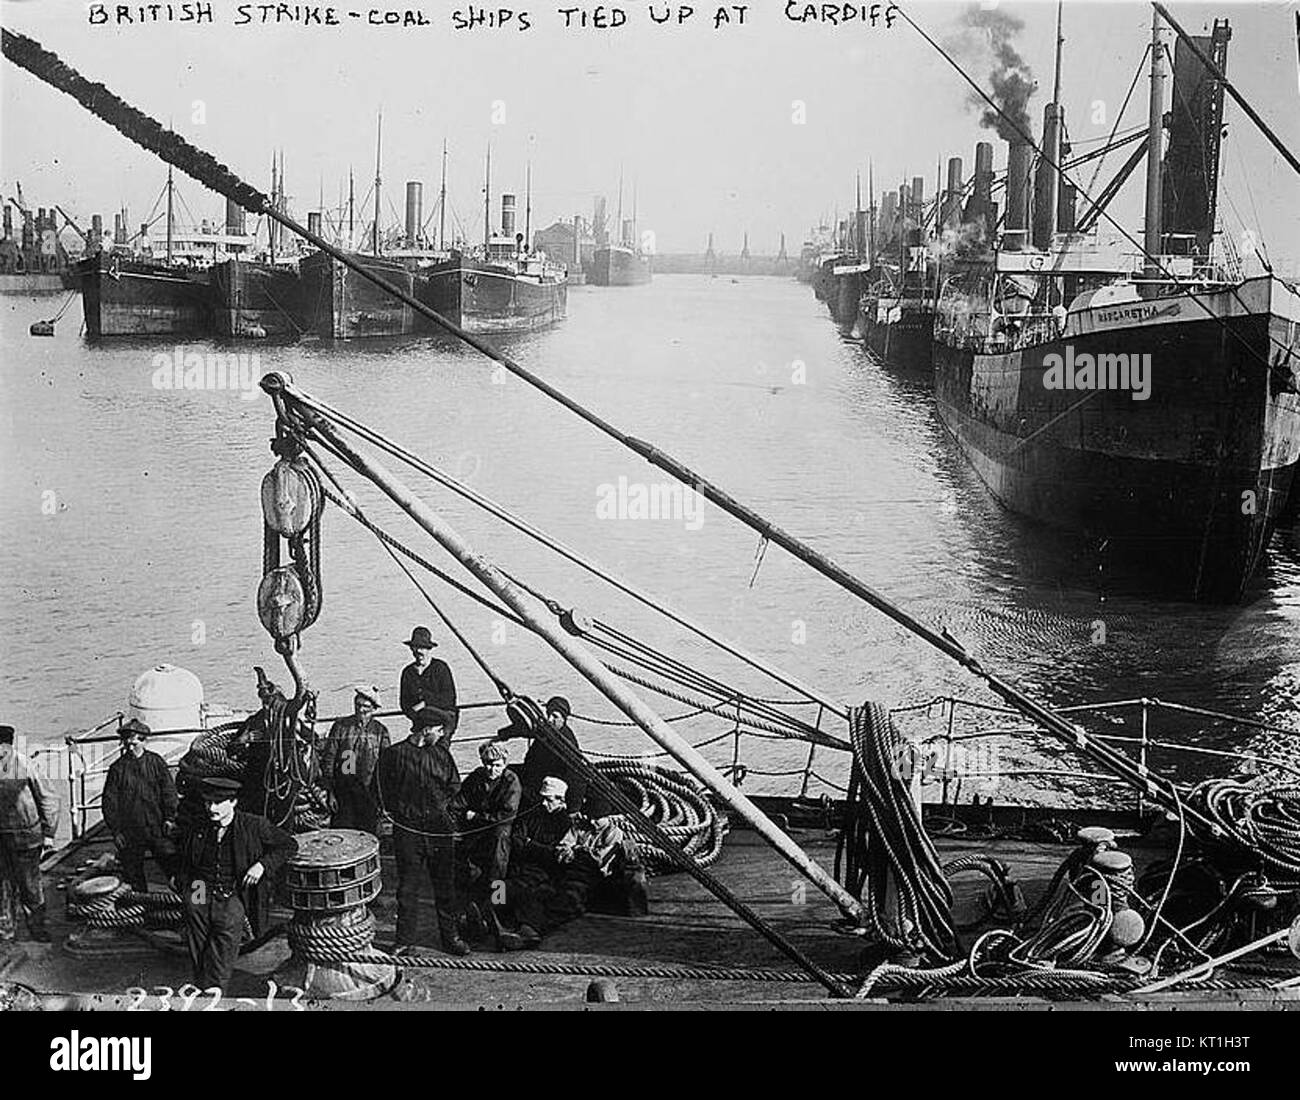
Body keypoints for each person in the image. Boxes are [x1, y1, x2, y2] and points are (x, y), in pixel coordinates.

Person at [175, 776, 298, 992]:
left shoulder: (254, 826)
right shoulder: (199, 825)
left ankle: (213, 990)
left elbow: (288, 845)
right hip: (200, 889)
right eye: (207, 803)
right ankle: (202, 984)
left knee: (224, 937)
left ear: (233, 802)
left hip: (232, 893)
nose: (211, 808)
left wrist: (262, 865)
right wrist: (180, 881)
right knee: (197, 932)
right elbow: (185, 857)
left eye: (217, 803)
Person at [373, 715, 470, 956]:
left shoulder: (441, 754)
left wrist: (447, 814)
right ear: (426, 729)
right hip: (408, 831)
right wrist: (394, 812)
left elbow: (455, 787)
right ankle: (404, 940)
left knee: (445, 886)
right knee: (407, 889)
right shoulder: (393, 755)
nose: (442, 735)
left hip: (439, 830)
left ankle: (451, 937)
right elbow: (378, 789)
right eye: (439, 730)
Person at [495, 776, 585, 950]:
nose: (544, 803)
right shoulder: (531, 816)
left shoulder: (565, 823)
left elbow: (554, 855)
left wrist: (530, 845)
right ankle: (492, 918)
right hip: (522, 867)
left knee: (525, 892)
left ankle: (524, 931)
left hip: (544, 873)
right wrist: (535, 847)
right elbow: (517, 841)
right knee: (498, 886)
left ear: (560, 800)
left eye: (549, 799)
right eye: (542, 798)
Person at [102, 718, 179, 891]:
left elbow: (169, 792)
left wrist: (170, 818)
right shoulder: (117, 769)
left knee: (172, 863)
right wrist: (116, 831)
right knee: (132, 873)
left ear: (143, 741)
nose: (130, 747)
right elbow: (109, 802)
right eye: (127, 743)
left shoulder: (156, 763)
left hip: (156, 826)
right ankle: (139, 907)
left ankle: (188, 903)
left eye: (134, 742)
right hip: (130, 831)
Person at [455, 741, 521, 939]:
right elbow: (460, 801)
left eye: (497, 765)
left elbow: (506, 815)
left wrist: (475, 817)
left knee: (496, 878)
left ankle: (498, 915)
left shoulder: (511, 782)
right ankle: (474, 914)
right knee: (468, 873)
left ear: (505, 764)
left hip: (499, 836)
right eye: (488, 764)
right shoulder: (476, 777)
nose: (492, 769)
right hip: (476, 835)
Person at [0, 725, 58, 943]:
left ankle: (37, 927)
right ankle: (5, 930)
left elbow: (49, 798)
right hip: (1, 838)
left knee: (30, 885)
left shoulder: (25, 764)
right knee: (3, 884)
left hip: (26, 837)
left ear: (10, 745)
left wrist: (49, 834)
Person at [318, 685, 390, 833]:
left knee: (367, 833)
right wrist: (330, 792)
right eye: (358, 705)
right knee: (342, 832)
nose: (361, 710)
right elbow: (329, 759)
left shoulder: (381, 731)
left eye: (366, 707)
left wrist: (382, 800)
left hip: (368, 791)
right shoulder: (341, 726)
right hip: (343, 790)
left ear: (373, 709)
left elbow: (386, 766)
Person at [513, 696, 587, 812]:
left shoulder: (566, 742)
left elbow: (577, 778)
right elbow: (524, 729)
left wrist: (573, 809)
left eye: (555, 716)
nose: (549, 719)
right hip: (535, 775)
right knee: (509, 771)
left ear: (564, 719)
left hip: (550, 785)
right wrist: (502, 735)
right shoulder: (548, 731)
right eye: (548, 714)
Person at [399, 626, 458, 737]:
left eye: (422, 648)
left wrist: (425, 703)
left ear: (429, 649)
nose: (418, 652)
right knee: (403, 751)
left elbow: (449, 699)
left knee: (434, 749)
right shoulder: (407, 673)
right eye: (415, 648)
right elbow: (404, 703)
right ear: (411, 649)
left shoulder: (441, 668)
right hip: (419, 724)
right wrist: (414, 714)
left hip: (443, 723)